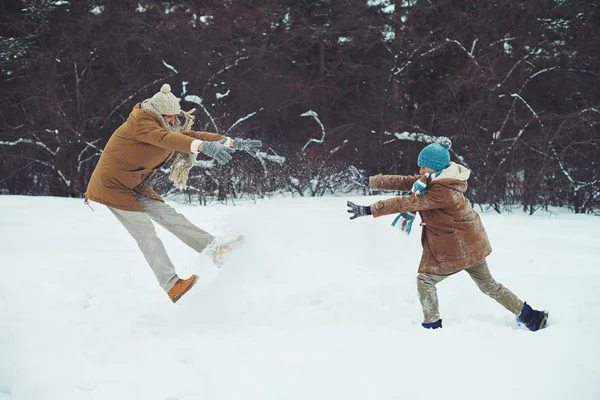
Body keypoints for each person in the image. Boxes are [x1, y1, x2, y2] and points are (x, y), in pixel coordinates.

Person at [346, 137, 548, 331]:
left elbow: (405, 202)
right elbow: (405, 181)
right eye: (420, 166)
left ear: (437, 167)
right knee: (490, 286)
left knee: (425, 280)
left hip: (458, 247)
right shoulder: (436, 180)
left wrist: (369, 209)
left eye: (425, 167)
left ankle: (432, 326)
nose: (421, 170)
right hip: (472, 244)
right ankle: (531, 317)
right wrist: (369, 181)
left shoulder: (441, 190)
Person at [85, 84, 262, 303]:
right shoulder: (141, 122)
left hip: (132, 183)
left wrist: (234, 143)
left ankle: (215, 250)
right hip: (112, 186)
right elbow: (167, 140)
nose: (172, 121)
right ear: (158, 113)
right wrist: (202, 148)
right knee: (145, 232)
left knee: (171, 217)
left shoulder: (166, 123)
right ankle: (172, 285)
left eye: (173, 116)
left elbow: (192, 134)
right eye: (168, 117)